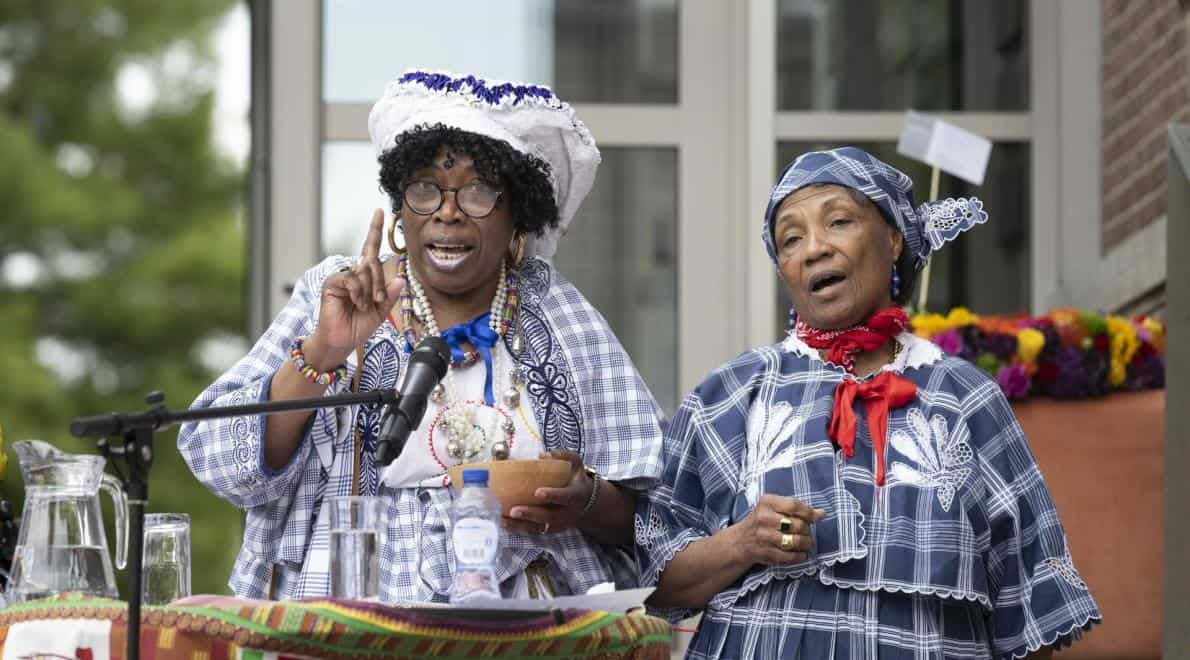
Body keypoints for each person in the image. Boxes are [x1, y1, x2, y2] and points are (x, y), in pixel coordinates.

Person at [179, 70, 664, 601]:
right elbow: (224, 465)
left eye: (479, 191)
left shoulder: (557, 311)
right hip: (345, 611)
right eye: (426, 189)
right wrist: (326, 350)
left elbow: (655, 519)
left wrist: (585, 499)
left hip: (519, 625)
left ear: (517, 219)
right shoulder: (336, 289)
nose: (449, 211)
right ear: (401, 211)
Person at [635, 147, 1100, 658]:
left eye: (838, 221)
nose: (813, 249)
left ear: (894, 238)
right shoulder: (730, 396)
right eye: (791, 238)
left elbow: (1029, 605)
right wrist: (741, 541)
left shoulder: (965, 399)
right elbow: (656, 579)